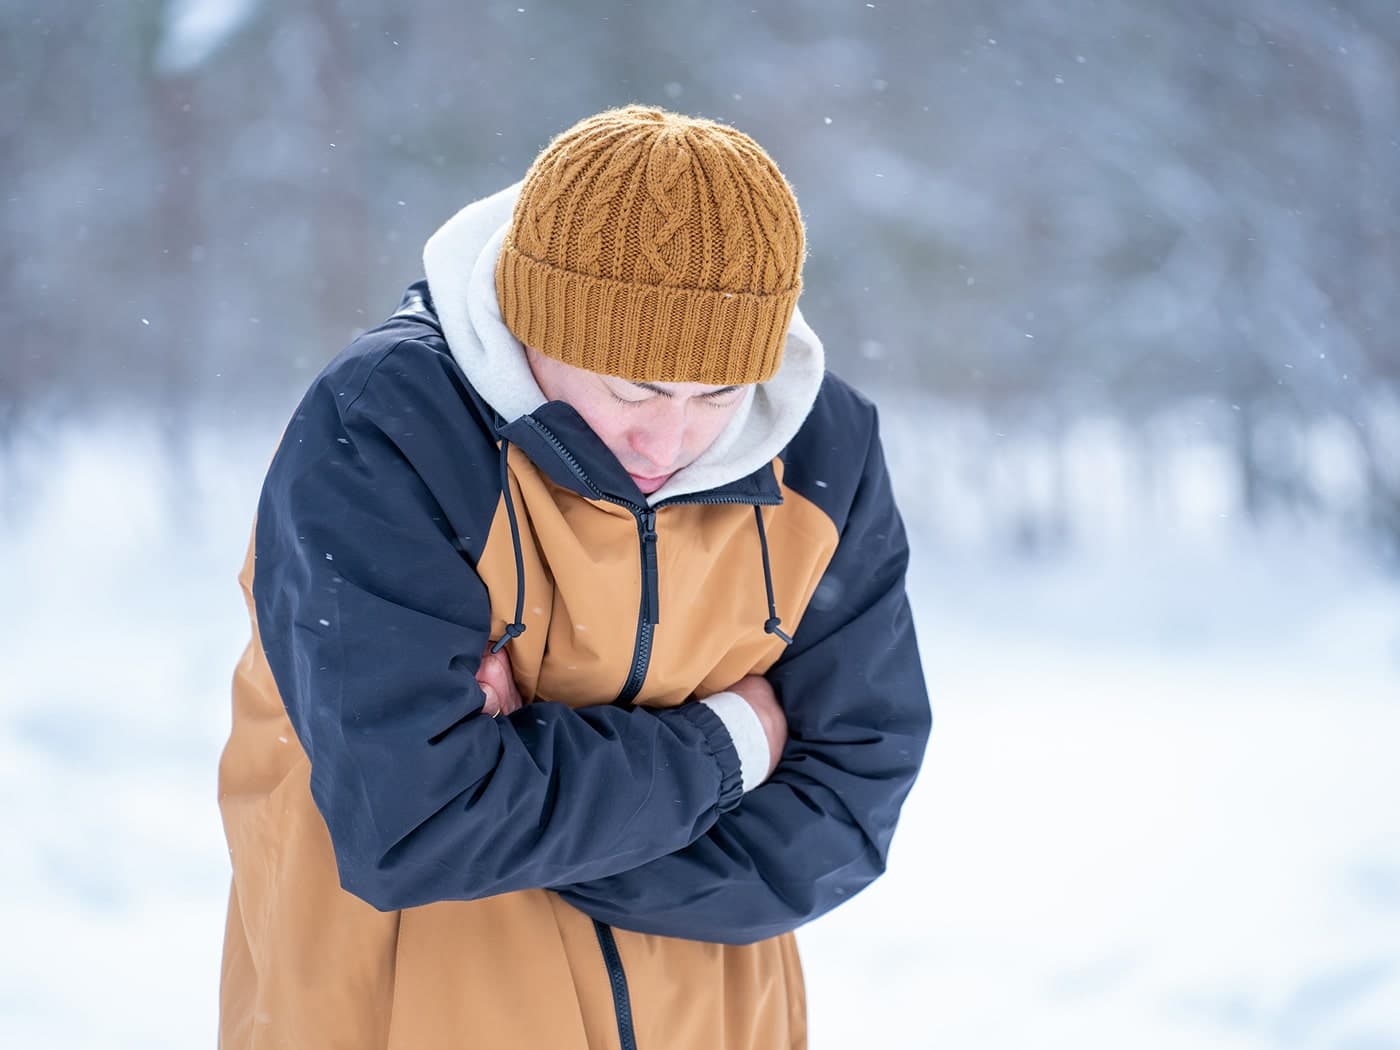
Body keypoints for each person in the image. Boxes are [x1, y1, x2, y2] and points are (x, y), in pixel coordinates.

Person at [218, 104, 931, 1050]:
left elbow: (848, 811)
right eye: (633, 388)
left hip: (716, 1022)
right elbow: (412, 824)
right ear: (534, 326)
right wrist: (736, 743)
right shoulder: (390, 427)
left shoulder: (823, 448)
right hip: (410, 1013)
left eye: (718, 394)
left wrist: (523, 810)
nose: (668, 441)